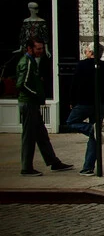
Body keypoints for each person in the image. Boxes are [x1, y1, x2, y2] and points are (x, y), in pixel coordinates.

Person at [16, 38, 72, 176]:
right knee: (29, 137)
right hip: (28, 104)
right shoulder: (27, 62)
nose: (41, 51)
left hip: (33, 104)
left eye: (41, 48)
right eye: (38, 49)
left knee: (41, 135)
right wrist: (35, 94)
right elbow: (21, 84)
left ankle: (53, 162)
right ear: (30, 48)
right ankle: (26, 168)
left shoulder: (33, 62)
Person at [66, 44, 104, 176]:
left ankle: (90, 129)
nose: (86, 52)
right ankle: (88, 167)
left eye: (87, 51)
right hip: (99, 103)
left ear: (90, 52)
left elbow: (74, 85)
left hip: (84, 102)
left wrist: (72, 101)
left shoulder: (82, 65)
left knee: (71, 122)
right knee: (95, 137)